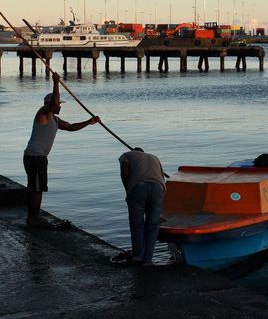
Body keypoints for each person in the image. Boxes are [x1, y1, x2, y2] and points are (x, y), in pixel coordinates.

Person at [23, 72, 100, 227]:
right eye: (58, 104)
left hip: (39, 157)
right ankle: (33, 219)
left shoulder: (55, 120)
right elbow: (52, 105)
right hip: (35, 157)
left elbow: (71, 127)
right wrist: (56, 82)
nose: (60, 107)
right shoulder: (43, 113)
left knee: (37, 188)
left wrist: (89, 122)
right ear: (50, 103)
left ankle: (33, 217)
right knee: (37, 189)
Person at [119, 148, 166, 266]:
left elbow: (124, 170)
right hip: (158, 188)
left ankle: (138, 256)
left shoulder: (127, 155)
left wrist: (128, 191)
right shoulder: (154, 157)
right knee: (153, 226)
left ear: (135, 151)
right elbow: (162, 178)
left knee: (137, 224)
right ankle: (148, 261)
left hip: (138, 187)